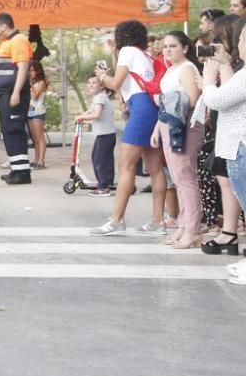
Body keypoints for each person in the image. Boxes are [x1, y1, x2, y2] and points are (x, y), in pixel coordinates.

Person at [90, 20, 167, 236]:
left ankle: (116, 220)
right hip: (151, 107)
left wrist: (102, 76)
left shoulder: (127, 51)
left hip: (140, 108)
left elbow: (115, 84)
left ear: (121, 36)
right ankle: (157, 221)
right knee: (154, 167)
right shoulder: (144, 54)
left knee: (126, 165)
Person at [200, 15, 246, 284]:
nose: (238, 44)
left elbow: (218, 99)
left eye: (241, 39)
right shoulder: (240, 74)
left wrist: (208, 79)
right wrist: (226, 66)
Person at [150, 32, 204, 248]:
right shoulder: (172, 69)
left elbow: (192, 100)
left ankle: (193, 230)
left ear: (185, 48)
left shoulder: (187, 69)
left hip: (185, 126)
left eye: (173, 46)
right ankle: (184, 225)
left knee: (185, 177)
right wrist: (157, 128)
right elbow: (169, 105)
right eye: (165, 46)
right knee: (177, 176)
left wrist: (162, 99)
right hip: (169, 124)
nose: (167, 50)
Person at [0, 13, 33, 184]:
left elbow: (23, 68)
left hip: (13, 94)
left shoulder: (19, 40)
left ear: (4, 26)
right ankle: (16, 169)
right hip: (4, 95)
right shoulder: (7, 43)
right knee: (8, 131)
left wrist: (16, 93)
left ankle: (22, 174)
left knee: (15, 130)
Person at [76, 76, 116, 197]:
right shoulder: (100, 97)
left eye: (94, 83)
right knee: (106, 159)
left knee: (99, 160)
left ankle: (103, 187)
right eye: (89, 82)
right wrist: (84, 118)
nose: (91, 85)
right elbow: (94, 113)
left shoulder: (100, 97)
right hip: (107, 134)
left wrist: (80, 117)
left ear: (102, 86)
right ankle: (108, 182)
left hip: (105, 135)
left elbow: (97, 114)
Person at [27, 61, 48, 169]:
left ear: (37, 70)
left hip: (38, 111)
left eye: (32, 71)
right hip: (29, 111)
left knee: (40, 137)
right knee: (34, 138)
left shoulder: (41, 82)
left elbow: (35, 96)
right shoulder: (33, 82)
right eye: (29, 71)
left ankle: (42, 160)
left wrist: (30, 84)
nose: (30, 73)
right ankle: (36, 159)